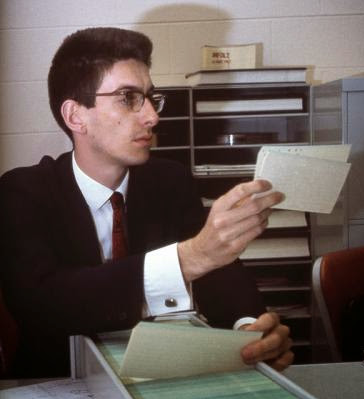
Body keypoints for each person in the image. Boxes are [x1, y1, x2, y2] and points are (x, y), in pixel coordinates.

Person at [0, 27, 293, 378]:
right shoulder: (22, 192)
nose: (152, 117)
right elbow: (44, 306)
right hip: (59, 387)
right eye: (128, 98)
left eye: (151, 98)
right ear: (76, 115)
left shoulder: (170, 181)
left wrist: (251, 330)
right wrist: (190, 257)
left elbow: (220, 274)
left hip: (162, 380)